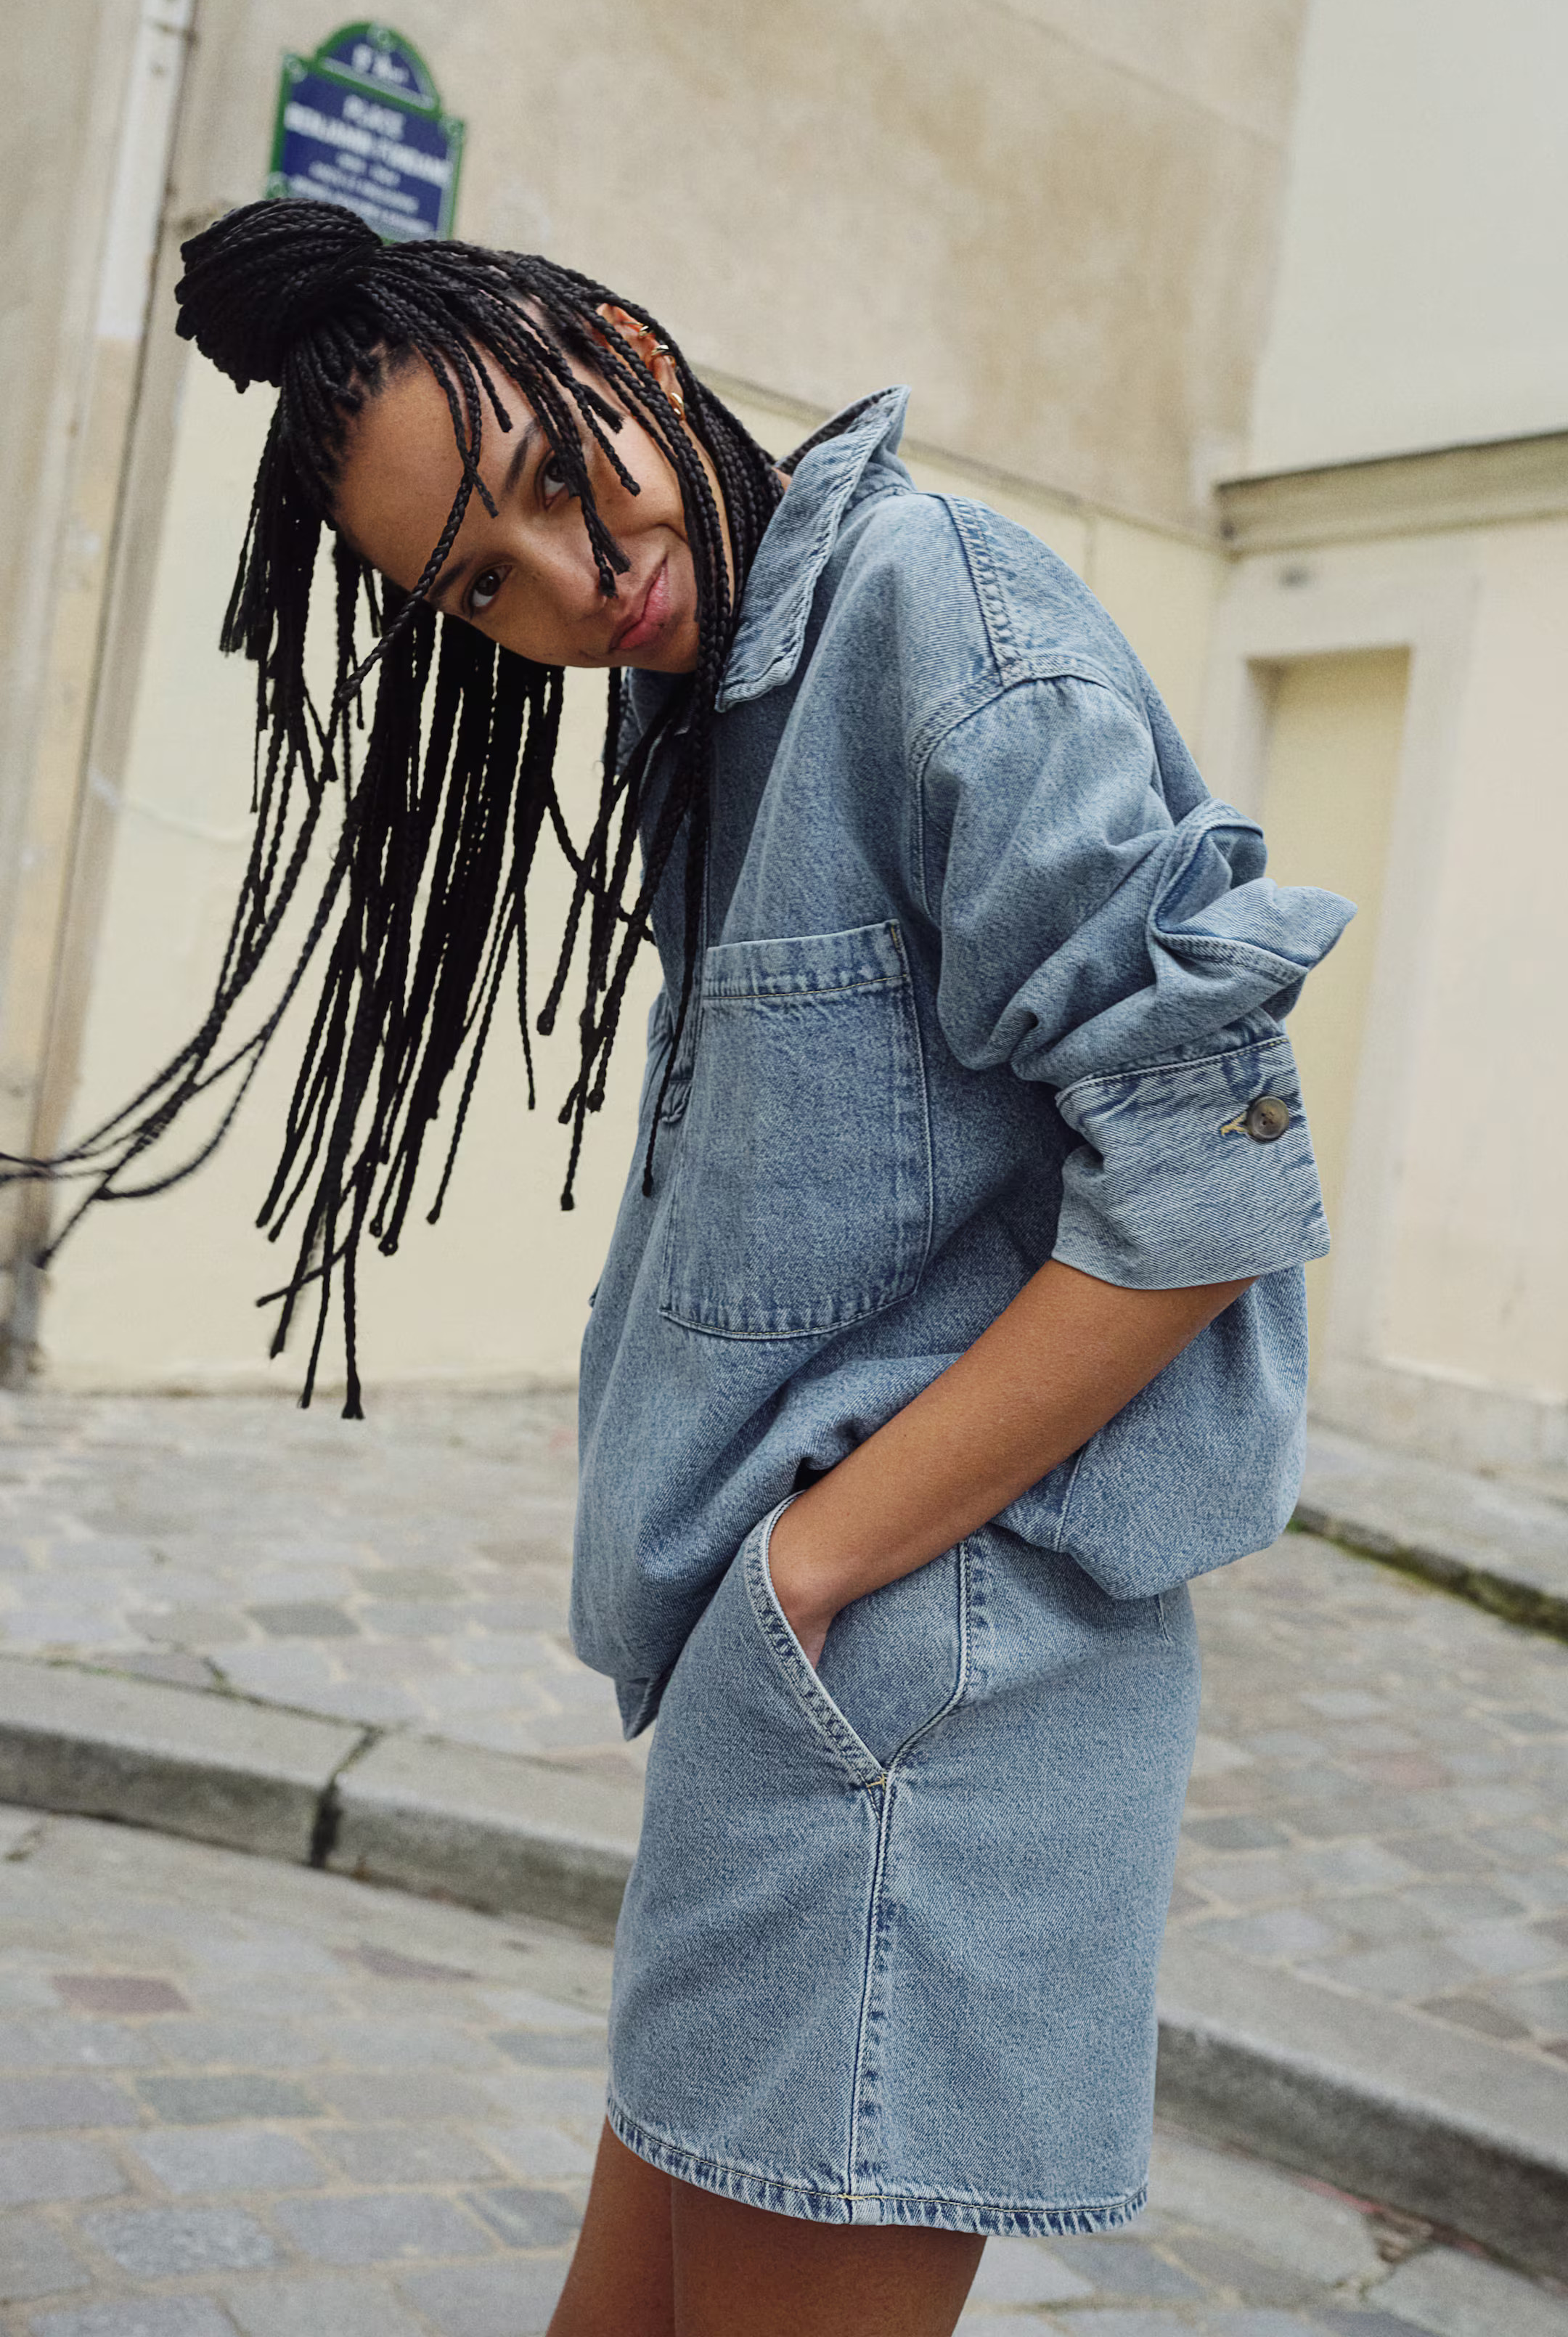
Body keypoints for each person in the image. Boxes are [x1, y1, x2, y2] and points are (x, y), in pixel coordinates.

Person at [11, 201, 1352, 2335]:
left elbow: (1210, 1180)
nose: (571, 582)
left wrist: (813, 1569)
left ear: (630, 350)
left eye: (559, 481)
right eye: (482, 584)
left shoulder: (935, 616)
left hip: (927, 1691)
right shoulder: (717, 711)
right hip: (791, 1695)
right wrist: (770, 1616)